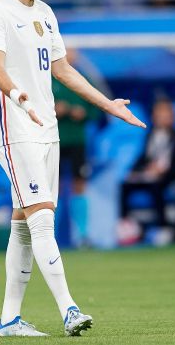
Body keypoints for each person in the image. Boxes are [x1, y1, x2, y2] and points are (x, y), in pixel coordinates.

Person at [0, 0, 145, 337]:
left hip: (46, 130)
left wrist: (108, 104)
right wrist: (19, 96)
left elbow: (63, 70)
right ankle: (69, 309)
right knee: (43, 219)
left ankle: (9, 320)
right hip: (14, 131)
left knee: (23, 222)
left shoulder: (46, 13)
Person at [120, 98, 175, 232]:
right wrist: (135, 170)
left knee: (156, 186)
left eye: (166, 116)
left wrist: (162, 170)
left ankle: (163, 226)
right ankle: (125, 225)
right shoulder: (150, 136)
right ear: (153, 117)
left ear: (173, 117)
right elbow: (143, 158)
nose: (163, 119)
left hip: (170, 176)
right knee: (125, 185)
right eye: (159, 115)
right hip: (149, 175)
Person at [52, 48, 99, 247]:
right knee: (55, 188)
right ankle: (51, 236)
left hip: (78, 141)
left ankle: (82, 235)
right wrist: (53, 110)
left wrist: (84, 114)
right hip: (55, 140)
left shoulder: (84, 79)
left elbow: (97, 108)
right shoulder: (48, 80)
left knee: (79, 185)